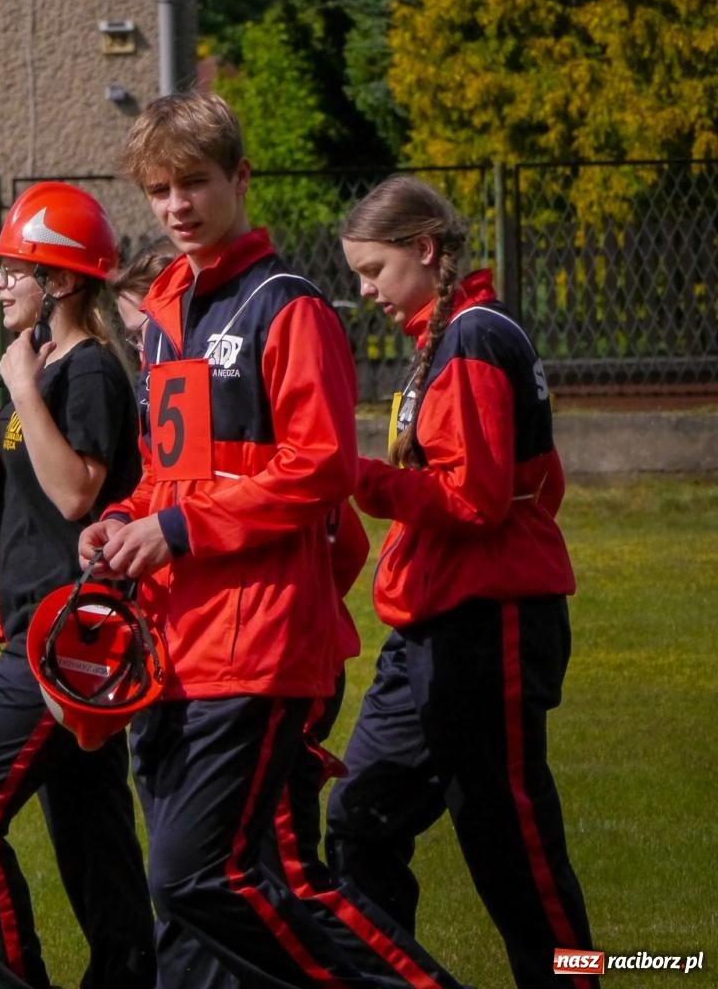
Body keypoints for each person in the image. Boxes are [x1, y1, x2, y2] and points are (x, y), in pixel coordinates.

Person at [78, 93, 464, 988]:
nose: (177, 206)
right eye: (160, 189)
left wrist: (173, 527)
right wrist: (125, 516)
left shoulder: (286, 308)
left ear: (241, 180)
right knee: (199, 904)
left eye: (195, 183)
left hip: (259, 645)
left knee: (200, 880)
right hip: (171, 645)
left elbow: (318, 470)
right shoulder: (167, 311)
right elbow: (172, 473)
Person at [326, 176, 597, 989]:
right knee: (359, 822)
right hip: (430, 627)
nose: (365, 291)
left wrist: (358, 480)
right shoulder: (440, 340)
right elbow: (525, 484)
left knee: (515, 852)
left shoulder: (475, 336)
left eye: (374, 271)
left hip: (491, 622)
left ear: (425, 251)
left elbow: (476, 501)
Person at [0, 182, 155, 989]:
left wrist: (20, 387)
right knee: (96, 844)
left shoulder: (85, 369)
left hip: (63, 640)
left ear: (58, 280)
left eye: (13, 269)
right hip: (52, 631)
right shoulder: (50, 363)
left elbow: (74, 492)